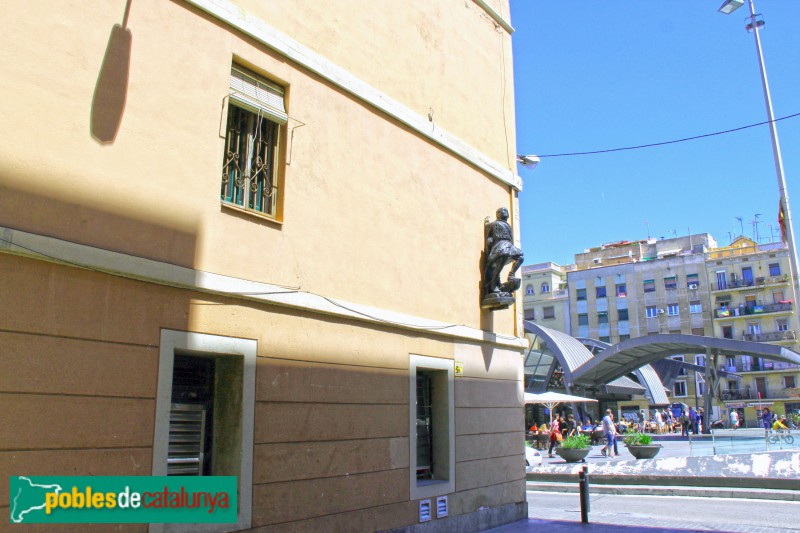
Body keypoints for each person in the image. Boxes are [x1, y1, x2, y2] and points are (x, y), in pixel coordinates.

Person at [482, 208, 524, 297]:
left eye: (506, 211)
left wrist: (512, 248)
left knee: (520, 257)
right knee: (503, 255)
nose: (505, 212)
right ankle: (493, 286)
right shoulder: (494, 224)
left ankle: (511, 275)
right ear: (498, 214)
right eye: (502, 211)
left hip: (509, 245)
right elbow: (489, 236)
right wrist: (489, 241)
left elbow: (511, 239)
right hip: (499, 244)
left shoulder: (508, 225)